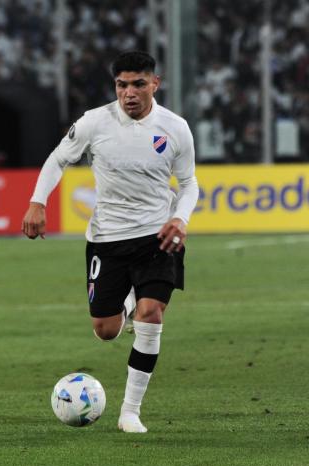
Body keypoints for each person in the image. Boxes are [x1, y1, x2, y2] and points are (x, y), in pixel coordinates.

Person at [22, 51, 199, 434]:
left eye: (138, 83)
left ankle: (130, 412)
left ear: (156, 83)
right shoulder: (94, 123)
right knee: (105, 329)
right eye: (122, 85)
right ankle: (127, 301)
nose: (129, 93)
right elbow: (57, 159)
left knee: (152, 315)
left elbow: (189, 184)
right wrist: (38, 202)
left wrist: (179, 218)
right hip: (107, 239)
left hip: (157, 237)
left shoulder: (175, 127)